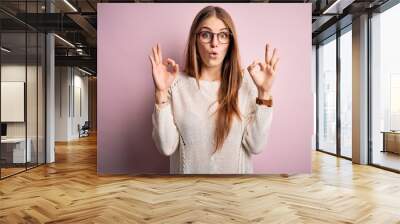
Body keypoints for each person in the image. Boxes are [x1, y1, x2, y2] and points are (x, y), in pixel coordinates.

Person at [149, 6, 279, 174]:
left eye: (223, 35)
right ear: (195, 40)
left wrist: (264, 93)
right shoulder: (175, 84)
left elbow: (256, 145)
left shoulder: (246, 82)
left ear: (231, 42)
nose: (214, 43)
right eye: (206, 34)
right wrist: (161, 93)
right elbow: (166, 147)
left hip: (235, 196)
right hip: (188, 196)